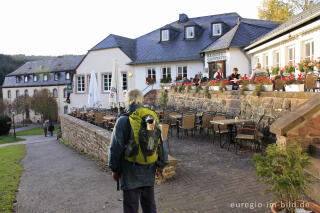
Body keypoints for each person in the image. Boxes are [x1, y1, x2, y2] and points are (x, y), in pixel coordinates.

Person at [108, 89, 168, 213]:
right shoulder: (150, 118)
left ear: (128, 101)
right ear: (141, 100)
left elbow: (115, 148)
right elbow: (159, 143)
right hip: (148, 169)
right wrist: (161, 165)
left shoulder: (123, 121)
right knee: (149, 205)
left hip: (130, 172)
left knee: (131, 208)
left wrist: (114, 169)